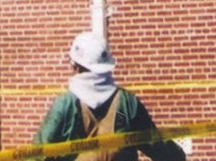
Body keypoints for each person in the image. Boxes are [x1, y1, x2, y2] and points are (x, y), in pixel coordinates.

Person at [37, 33, 185, 161]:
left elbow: (38, 153)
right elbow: (160, 148)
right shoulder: (127, 103)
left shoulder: (65, 104)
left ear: (74, 65)